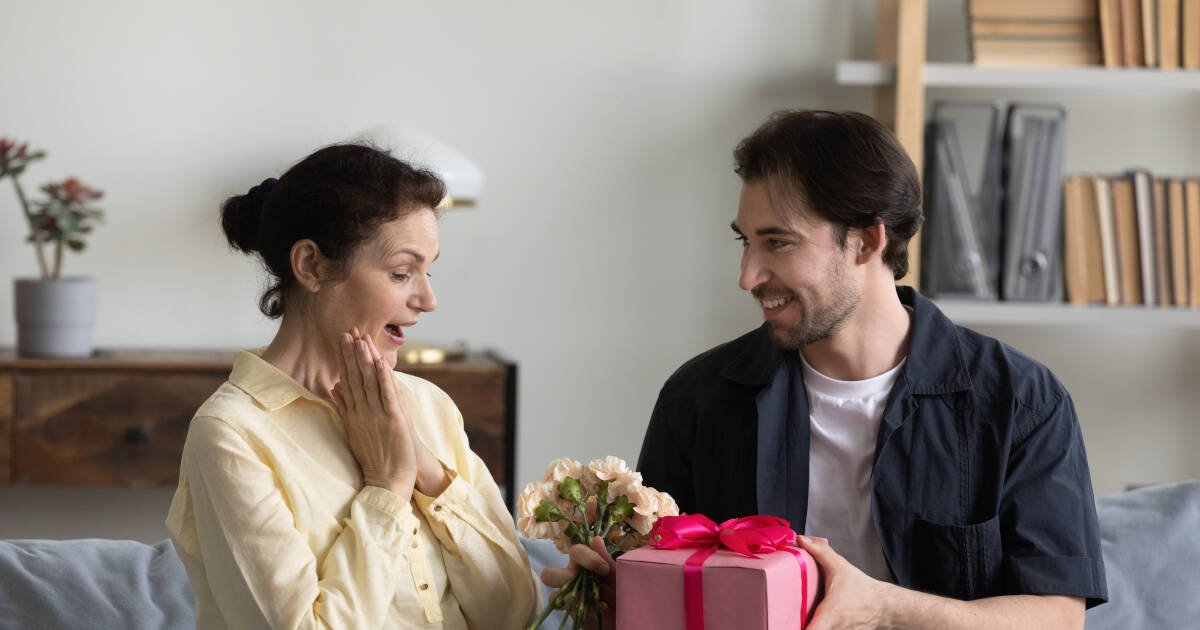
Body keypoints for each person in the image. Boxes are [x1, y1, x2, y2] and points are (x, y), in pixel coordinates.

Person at [546, 110, 1107, 630]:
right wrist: (616, 599)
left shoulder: (1022, 402)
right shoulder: (699, 398)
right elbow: (665, 599)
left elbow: (1056, 616)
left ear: (866, 239)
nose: (748, 275)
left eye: (778, 242)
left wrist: (883, 607)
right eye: (745, 242)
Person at [167, 144, 540, 630]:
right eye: (402, 273)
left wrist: (422, 466)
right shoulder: (230, 435)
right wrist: (387, 486)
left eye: (429, 271)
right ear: (312, 266)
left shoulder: (428, 406)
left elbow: (513, 613)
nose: (428, 299)